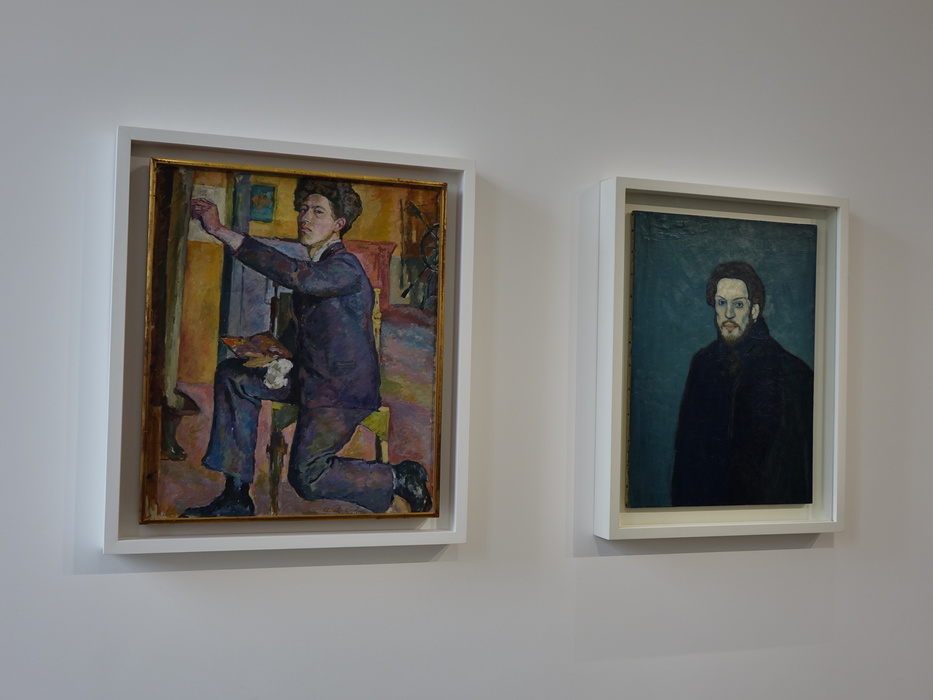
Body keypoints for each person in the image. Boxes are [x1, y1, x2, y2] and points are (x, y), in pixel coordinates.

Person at [180, 177, 432, 517]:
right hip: (307, 377)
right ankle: (236, 495)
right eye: (303, 209)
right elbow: (308, 328)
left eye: (317, 212)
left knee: (307, 477)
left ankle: (398, 477)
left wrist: (222, 231)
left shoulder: (345, 267)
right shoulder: (319, 269)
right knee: (233, 375)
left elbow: (296, 276)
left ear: (338, 224)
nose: (305, 218)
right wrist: (269, 350)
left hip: (339, 391)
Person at [670, 261, 813, 507]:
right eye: (721, 303)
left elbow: (801, 470)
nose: (728, 314)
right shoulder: (702, 365)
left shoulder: (793, 372)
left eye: (738, 304)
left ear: (754, 310)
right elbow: (686, 458)